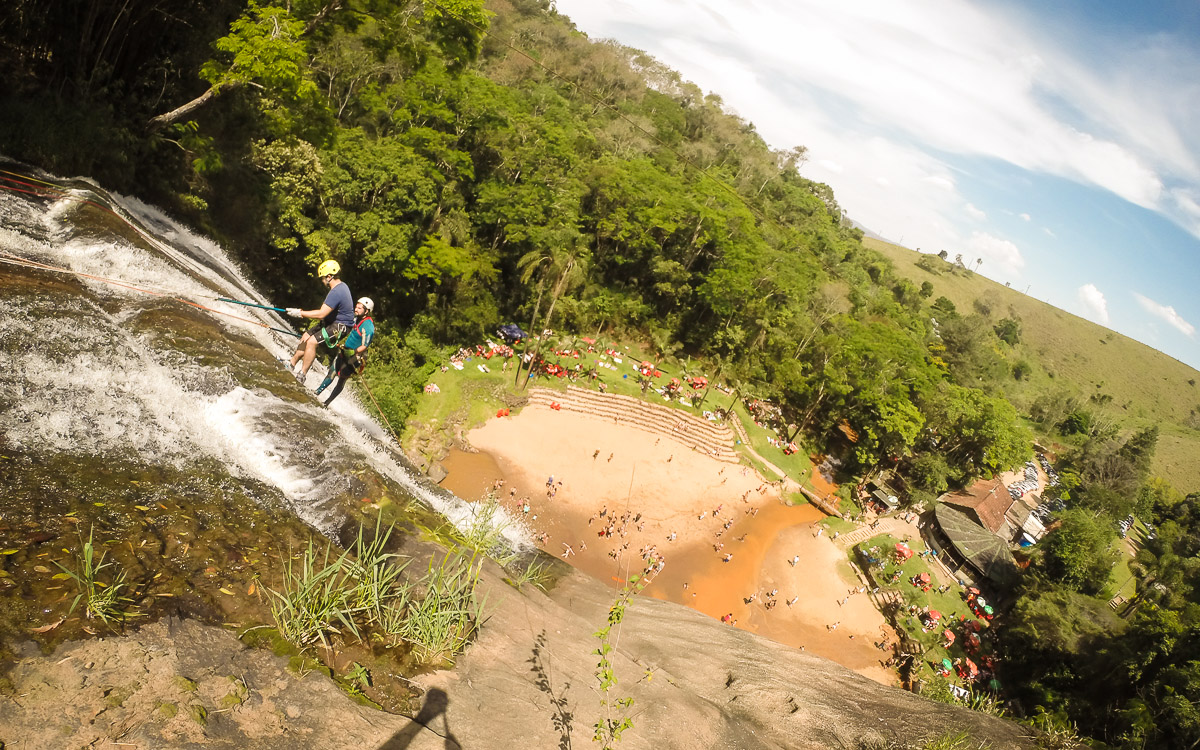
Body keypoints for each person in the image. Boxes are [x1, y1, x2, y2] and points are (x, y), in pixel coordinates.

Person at [287, 260, 354, 382]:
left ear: (329, 277)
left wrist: (300, 313)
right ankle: (291, 364)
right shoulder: (341, 286)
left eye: (323, 278)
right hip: (332, 321)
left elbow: (321, 313)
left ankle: (302, 374)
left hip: (341, 326)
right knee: (306, 336)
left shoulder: (337, 291)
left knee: (312, 342)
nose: (322, 281)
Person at [316, 297, 376, 405]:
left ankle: (326, 403)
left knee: (341, 380)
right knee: (332, 373)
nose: (356, 309)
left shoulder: (368, 327)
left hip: (354, 357)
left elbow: (365, 346)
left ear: (366, 311)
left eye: (359, 308)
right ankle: (317, 392)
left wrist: (353, 352)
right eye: (356, 307)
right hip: (344, 351)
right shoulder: (356, 319)